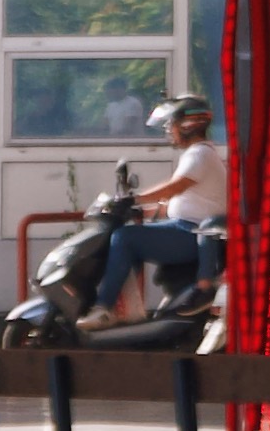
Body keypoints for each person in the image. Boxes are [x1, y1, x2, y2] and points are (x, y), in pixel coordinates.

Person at [95, 97, 222, 314]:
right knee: (129, 239)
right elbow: (178, 202)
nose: (168, 130)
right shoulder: (200, 154)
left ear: (187, 125)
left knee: (125, 238)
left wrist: (134, 199)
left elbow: (175, 188)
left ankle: (104, 308)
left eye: (171, 124)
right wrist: (142, 210)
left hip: (190, 232)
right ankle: (127, 310)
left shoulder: (200, 154)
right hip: (186, 227)